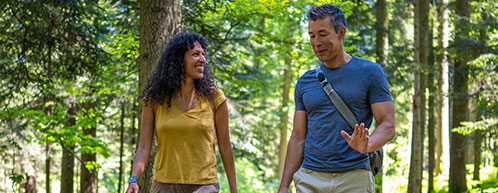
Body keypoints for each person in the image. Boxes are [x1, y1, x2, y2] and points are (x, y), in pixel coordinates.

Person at [277, 4, 395, 193]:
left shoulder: (370, 73)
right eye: (312, 36)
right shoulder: (305, 81)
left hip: (355, 177)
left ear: (341, 33)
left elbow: (388, 125)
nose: (316, 42)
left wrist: (368, 145)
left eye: (323, 34)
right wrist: (284, 185)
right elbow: (298, 137)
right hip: (309, 178)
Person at [125, 33, 238, 193]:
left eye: (203, 55)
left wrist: (234, 190)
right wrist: (133, 179)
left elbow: (225, 147)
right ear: (178, 60)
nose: (203, 60)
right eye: (195, 54)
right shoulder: (154, 99)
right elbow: (144, 147)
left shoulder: (214, 97)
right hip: (163, 185)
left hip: (204, 185)